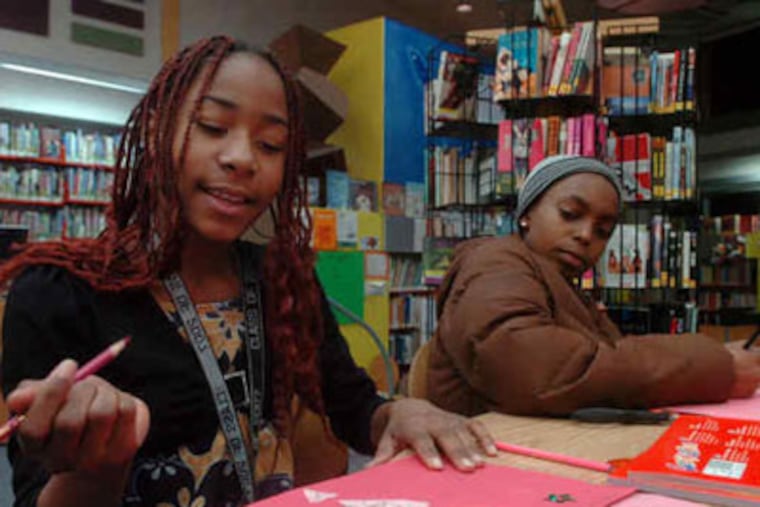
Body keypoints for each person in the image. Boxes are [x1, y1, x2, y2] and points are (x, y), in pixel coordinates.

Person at [0, 36, 497, 507]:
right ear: (156, 132)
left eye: (271, 145)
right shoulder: (57, 292)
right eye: (213, 127)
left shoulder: (284, 282)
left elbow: (354, 405)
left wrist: (401, 410)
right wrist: (94, 466)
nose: (242, 159)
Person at [426, 155, 760, 417]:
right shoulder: (494, 263)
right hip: (491, 470)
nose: (586, 235)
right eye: (570, 214)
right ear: (526, 213)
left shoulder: (564, 287)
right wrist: (715, 367)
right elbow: (541, 370)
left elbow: (609, 365)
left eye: (603, 231)